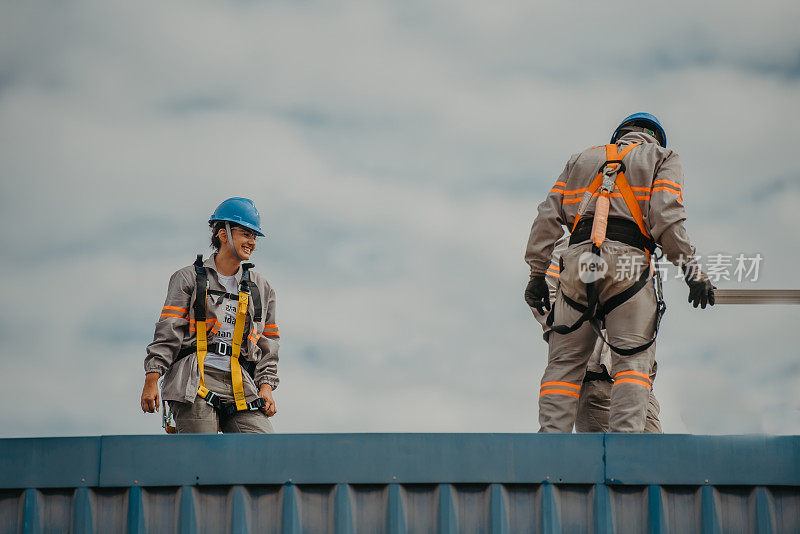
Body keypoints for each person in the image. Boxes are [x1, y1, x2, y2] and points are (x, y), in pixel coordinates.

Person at [524, 113, 714, 433]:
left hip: (576, 261)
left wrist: (535, 272)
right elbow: (667, 217)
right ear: (655, 139)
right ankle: (627, 451)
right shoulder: (662, 157)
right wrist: (692, 271)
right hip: (628, 261)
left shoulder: (581, 159)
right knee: (632, 368)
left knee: (562, 368)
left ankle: (549, 449)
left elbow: (547, 217)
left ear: (618, 138)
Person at [140, 197, 280, 433]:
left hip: (240, 383)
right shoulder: (188, 279)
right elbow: (168, 331)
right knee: (202, 457)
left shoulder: (261, 288)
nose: (251, 242)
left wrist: (265, 386)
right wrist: (152, 378)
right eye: (246, 233)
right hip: (193, 381)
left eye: (254, 236)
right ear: (223, 234)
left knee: (263, 448)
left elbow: (269, 343)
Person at [531, 236, 662, 433]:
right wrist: (594, 323)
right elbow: (547, 300)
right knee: (616, 458)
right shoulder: (574, 244)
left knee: (655, 458)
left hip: (639, 384)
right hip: (599, 381)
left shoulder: (633, 244)